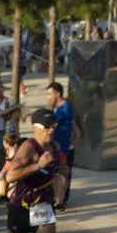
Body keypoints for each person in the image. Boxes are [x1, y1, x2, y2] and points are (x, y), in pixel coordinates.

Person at [47, 82, 77, 210]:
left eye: (50, 94)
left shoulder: (65, 107)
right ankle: (57, 197)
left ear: (58, 94)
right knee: (57, 171)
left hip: (63, 146)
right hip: (57, 144)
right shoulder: (58, 107)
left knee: (62, 171)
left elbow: (54, 122)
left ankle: (61, 199)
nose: (48, 97)